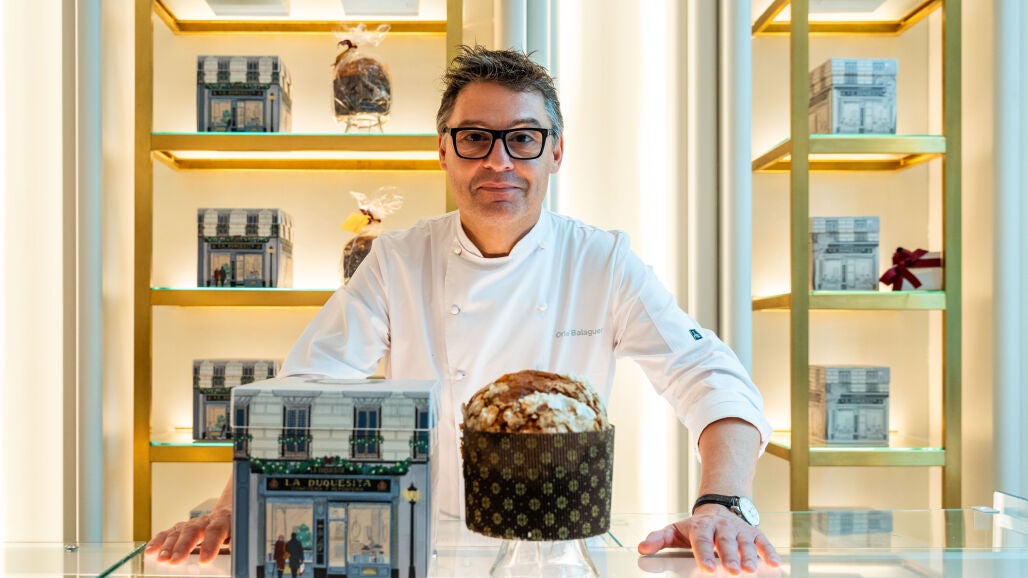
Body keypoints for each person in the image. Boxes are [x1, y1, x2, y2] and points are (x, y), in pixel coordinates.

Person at [146, 45, 781, 575]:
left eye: (523, 138)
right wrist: (234, 507)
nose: (498, 161)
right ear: (444, 150)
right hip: (431, 547)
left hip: (561, 555)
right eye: (475, 138)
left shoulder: (603, 261)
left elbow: (709, 377)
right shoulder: (398, 260)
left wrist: (723, 503)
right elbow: (306, 388)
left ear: (556, 152)